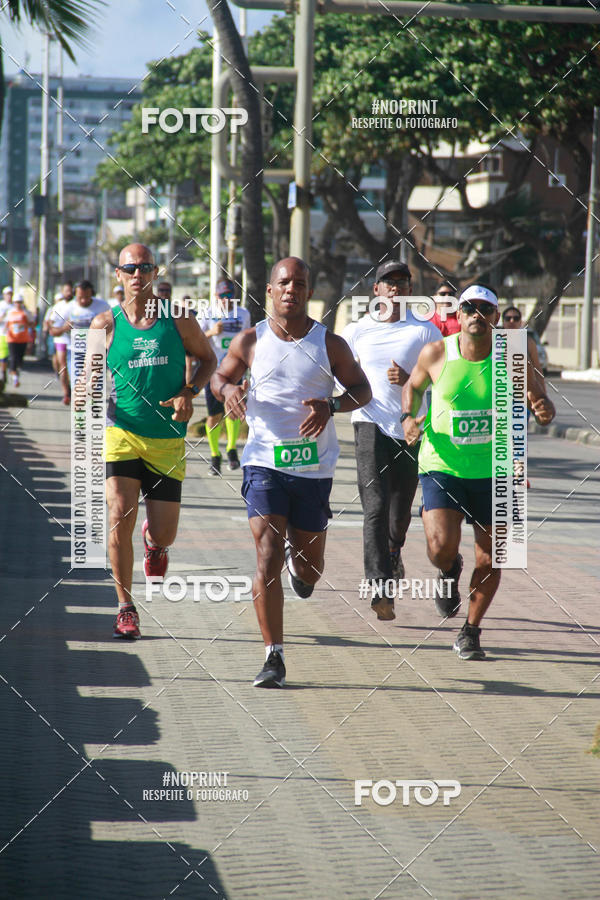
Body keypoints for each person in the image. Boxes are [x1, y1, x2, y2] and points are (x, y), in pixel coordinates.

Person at [211, 256, 371, 687]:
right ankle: (273, 656)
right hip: (263, 462)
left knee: (310, 567)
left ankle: (302, 570)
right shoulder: (250, 340)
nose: (291, 290)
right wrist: (229, 391)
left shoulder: (329, 344)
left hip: (313, 469)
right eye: (283, 282)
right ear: (269, 290)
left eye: (299, 283)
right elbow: (220, 377)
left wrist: (333, 405)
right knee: (265, 555)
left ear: (308, 290)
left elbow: (363, 389)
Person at [402, 283, 555, 660]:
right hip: (443, 465)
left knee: (494, 557)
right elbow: (413, 386)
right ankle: (448, 569)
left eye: (484, 309)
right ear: (459, 315)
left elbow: (539, 397)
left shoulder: (513, 355)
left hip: (500, 466)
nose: (476, 315)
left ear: (496, 318)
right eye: (468, 308)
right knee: (440, 549)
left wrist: (544, 408)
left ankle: (470, 631)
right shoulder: (437, 351)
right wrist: (407, 417)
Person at [88, 244, 216, 639]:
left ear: (156, 272)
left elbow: (208, 359)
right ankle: (126, 607)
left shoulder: (179, 320)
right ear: (119, 275)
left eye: (144, 267)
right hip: (122, 433)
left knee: (164, 533)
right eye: (130, 268)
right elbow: (87, 375)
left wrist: (190, 391)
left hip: (166, 440)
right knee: (119, 515)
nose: (137, 274)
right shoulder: (104, 324)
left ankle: (154, 544)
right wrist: (84, 388)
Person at [342, 260, 442, 621]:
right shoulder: (356, 331)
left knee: (399, 515)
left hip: (411, 428)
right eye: (389, 282)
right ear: (377, 290)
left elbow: (440, 381)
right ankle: (380, 587)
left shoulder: (425, 332)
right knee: (375, 506)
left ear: (410, 290)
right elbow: (340, 375)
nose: (396, 287)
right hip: (368, 423)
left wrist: (411, 380)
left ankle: (394, 551)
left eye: (403, 282)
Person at [200, 278, 251, 474]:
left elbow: (248, 338)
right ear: (216, 296)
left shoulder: (243, 314)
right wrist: (212, 332)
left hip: (235, 369)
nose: (226, 300)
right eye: (222, 296)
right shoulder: (207, 313)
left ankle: (231, 450)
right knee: (214, 415)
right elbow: (195, 340)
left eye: (230, 296)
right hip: (212, 371)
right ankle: (215, 456)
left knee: (233, 410)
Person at [48, 281, 74, 404]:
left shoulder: (77, 304)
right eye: (66, 291)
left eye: (70, 290)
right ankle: (66, 393)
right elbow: (51, 323)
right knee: (62, 366)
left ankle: (74, 389)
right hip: (61, 339)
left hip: (76, 340)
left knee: (73, 367)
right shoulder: (58, 306)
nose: (68, 293)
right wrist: (61, 328)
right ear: (62, 292)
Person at [5, 293, 34, 387]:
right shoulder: (10, 312)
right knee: (13, 358)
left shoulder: (26, 313)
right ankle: (15, 378)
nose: (18, 304)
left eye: (20, 302)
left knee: (20, 360)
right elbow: (6, 324)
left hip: (23, 339)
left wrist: (25, 325)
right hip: (12, 339)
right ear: (14, 303)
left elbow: (32, 324)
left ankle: (16, 372)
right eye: (16, 302)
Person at [0, 286, 14, 388]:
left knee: (13, 357)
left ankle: (10, 371)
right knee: (3, 356)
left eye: (10, 294)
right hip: (3, 334)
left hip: (15, 336)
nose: (9, 296)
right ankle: (3, 373)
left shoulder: (15, 306)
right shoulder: (1, 305)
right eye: (7, 294)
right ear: (4, 295)